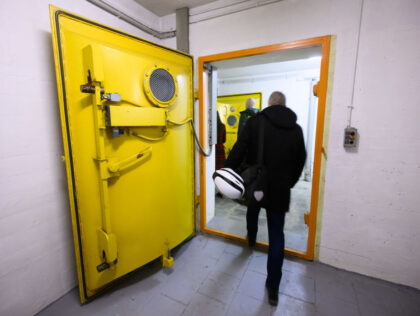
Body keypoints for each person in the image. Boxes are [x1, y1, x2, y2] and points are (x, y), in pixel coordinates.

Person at [225, 91, 306, 306]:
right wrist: (291, 181)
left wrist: (226, 172)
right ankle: (273, 288)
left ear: (269, 104)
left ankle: (251, 239)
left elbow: (238, 149)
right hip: (280, 189)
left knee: (253, 209)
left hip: (258, 186)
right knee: (276, 235)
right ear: (284, 105)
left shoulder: (255, 122)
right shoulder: (296, 129)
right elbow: (301, 160)